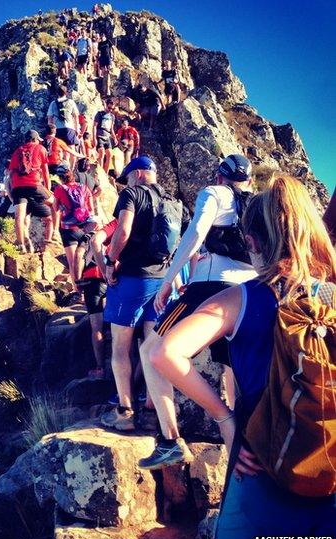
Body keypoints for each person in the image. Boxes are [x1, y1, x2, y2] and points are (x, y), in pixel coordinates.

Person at [142, 174, 336, 539]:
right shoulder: (331, 294)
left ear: (251, 242)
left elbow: (162, 351)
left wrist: (226, 418)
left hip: (259, 461)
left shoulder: (239, 299)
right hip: (328, 463)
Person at [137, 154, 257, 468]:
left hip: (208, 290)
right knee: (233, 375)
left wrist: (168, 279)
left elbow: (196, 234)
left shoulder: (215, 193)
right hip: (247, 293)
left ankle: (170, 439)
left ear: (220, 176)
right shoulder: (256, 205)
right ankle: (240, 468)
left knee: (152, 349)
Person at [99, 156, 182, 431]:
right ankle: (150, 409)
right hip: (162, 281)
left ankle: (124, 412)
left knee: (120, 346)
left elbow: (122, 231)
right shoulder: (170, 200)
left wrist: (111, 262)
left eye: (128, 176)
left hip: (133, 279)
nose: (127, 181)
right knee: (151, 345)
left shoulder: (131, 194)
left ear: (137, 174)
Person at [74, 219, 118, 379]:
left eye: (85, 225)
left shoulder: (89, 237)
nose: (83, 228)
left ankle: (100, 368)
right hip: (112, 280)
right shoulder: (112, 237)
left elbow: (79, 255)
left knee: (96, 327)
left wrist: (77, 280)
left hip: (93, 281)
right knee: (115, 324)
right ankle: (117, 362)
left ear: (94, 225)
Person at [8, 130, 53, 253]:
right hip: (34, 185)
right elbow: (45, 172)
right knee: (55, 203)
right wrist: (47, 190)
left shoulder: (17, 151)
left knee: (19, 216)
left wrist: (13, 191)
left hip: (18, 187)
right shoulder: (41, 148)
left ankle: (21, 245)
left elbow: (11, 174)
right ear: (35, 139)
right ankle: (53, 235)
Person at [53, 164, 97, 289]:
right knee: (85, 259)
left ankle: (78, 290)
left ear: (60, 177)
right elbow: (91, 209)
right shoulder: (83, 187)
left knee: (73, 263)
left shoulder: (60, 189)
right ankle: (89, 288)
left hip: (68, 229)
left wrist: (63, 206)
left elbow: (55, 208)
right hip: (84, 229)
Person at [47, 85, 80, 158]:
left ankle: (63, 167)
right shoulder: (71, 102)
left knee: (60, 150)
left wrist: (51, 131)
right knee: (71, 150)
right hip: (69, 128)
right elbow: (76, 117)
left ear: (57, 93)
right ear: (66, 93)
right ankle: (70, 168)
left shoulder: (53, 103)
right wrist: (77, 129)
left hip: (57, 129)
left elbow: (49, 119)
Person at [93, 98, 117, 173]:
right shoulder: (100, 114)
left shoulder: (112, 116)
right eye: (109, 108)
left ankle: (105, 174)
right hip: (100, 136)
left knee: (109, 154)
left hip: (107, 137)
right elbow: (94, 126)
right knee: (101, 153)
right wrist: (94, 138)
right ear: (105, 105)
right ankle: (100, 173)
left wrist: (115, 138)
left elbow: (111, 128)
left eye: (112, 109)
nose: (110, 110)